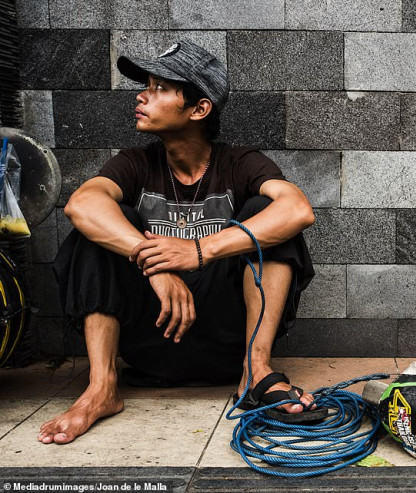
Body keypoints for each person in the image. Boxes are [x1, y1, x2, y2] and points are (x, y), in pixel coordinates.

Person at [38, 40, 316, 445]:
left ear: (199, 109)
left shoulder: (239, 163)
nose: (142, 96)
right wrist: (154, 264)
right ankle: (102, 387)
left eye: (159, 88)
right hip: (153, 338)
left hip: (225, 341)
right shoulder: (136, 163)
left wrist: (198, 251)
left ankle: (255, 371)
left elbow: (298, 210)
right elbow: (81, 204)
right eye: (146, 87)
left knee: (267, 214)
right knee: (100, 227)